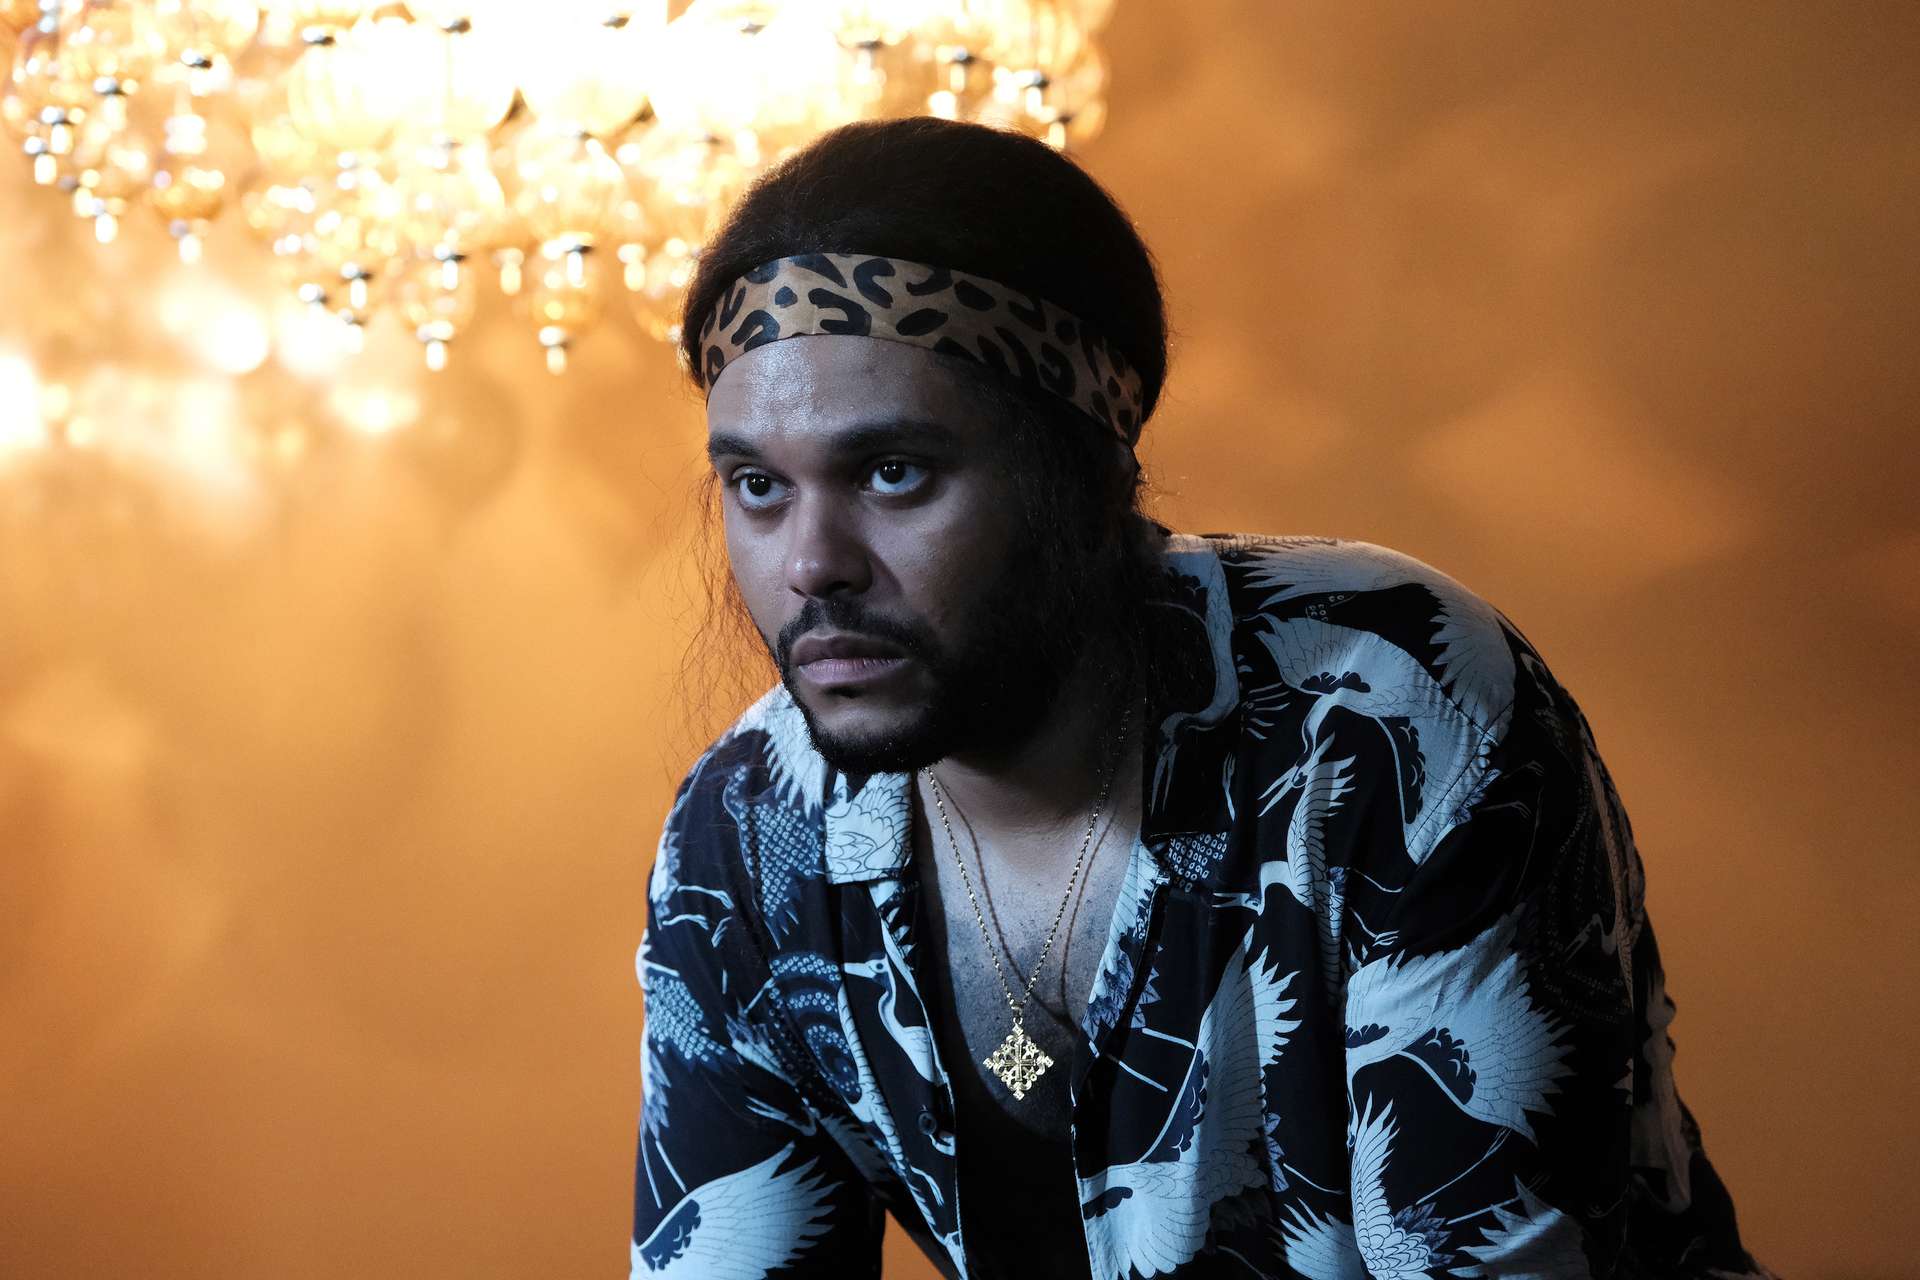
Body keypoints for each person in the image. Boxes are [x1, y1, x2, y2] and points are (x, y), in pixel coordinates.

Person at [628, 116, 1773, 1280]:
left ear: (1087, 470)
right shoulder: (749, 826)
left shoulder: (1383, 706)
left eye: (893, 471)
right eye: (757, 484)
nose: (811, 562)